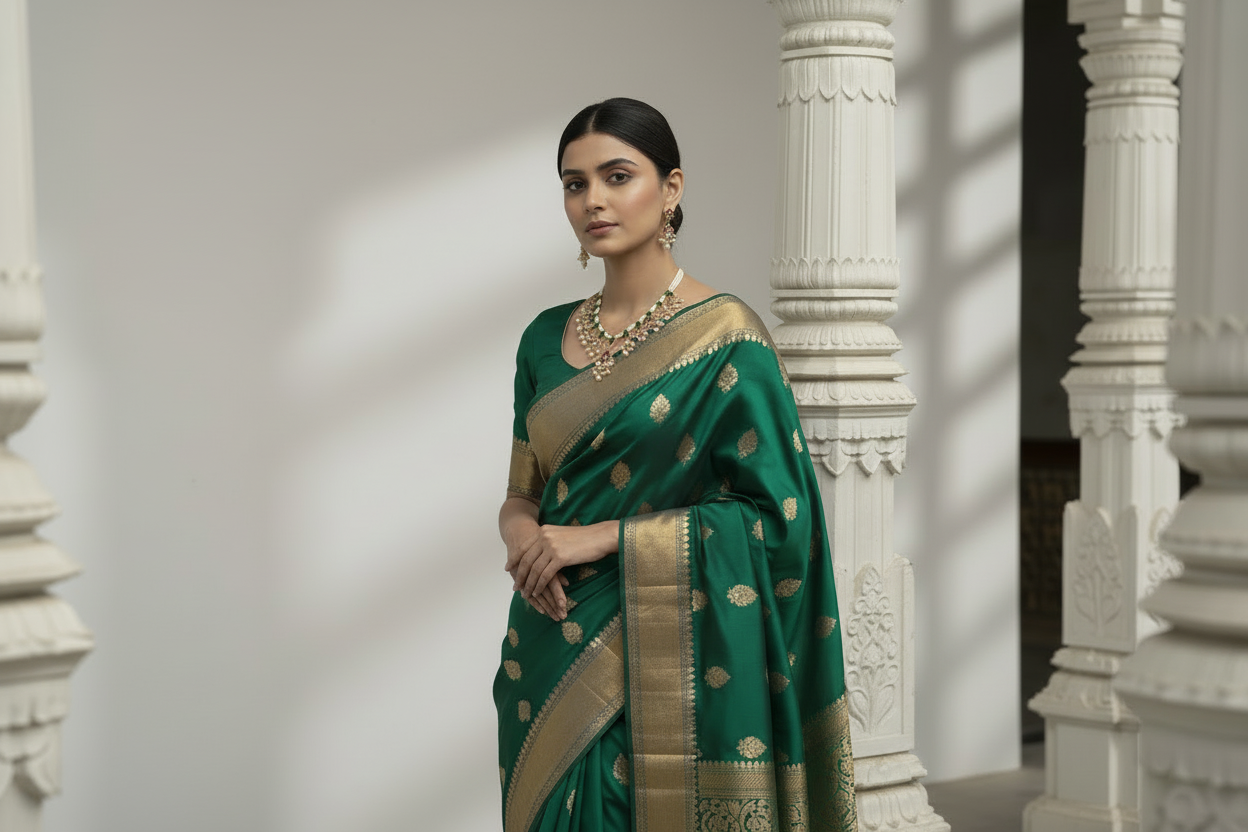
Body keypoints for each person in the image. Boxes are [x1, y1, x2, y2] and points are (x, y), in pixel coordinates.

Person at [495, 97, 856, 832]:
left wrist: (599, 539)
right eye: (573, 183)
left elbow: (776, 522)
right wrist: (522, 539)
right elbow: (520, 494)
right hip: (546, 644)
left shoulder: (730, 341)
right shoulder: (540, 340)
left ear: (671, 188)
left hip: (671, 654)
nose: (592, 199)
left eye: (616, 175)